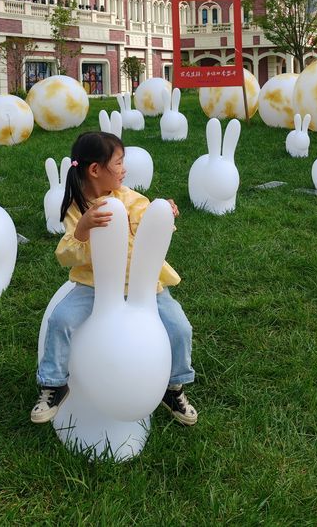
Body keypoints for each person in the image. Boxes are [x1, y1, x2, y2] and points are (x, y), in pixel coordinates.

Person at [32, 131, 197, 426]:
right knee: (61, 320)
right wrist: (82, 229)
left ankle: (174, 386)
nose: (125, 169)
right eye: (119, 163)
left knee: (180, 328)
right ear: (95, 169)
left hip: (145, 286)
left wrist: (166, 213)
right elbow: (65, 256)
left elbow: (152, 226)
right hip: (95, 287)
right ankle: (54, 384)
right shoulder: (76, 209)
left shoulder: (131, 199)